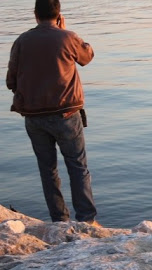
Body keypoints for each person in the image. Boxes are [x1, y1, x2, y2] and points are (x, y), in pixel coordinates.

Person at [6, 0, 100, 226]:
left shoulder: (21, 41)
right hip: (66, 115)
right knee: (78, 167)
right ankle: (86, 221)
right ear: (59, 15)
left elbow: (11, 81)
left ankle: (59, 221)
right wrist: (64, 30)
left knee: (47, 170)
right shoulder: (67, 37)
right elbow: (87, 56)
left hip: (34, 117)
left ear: (35, 15)